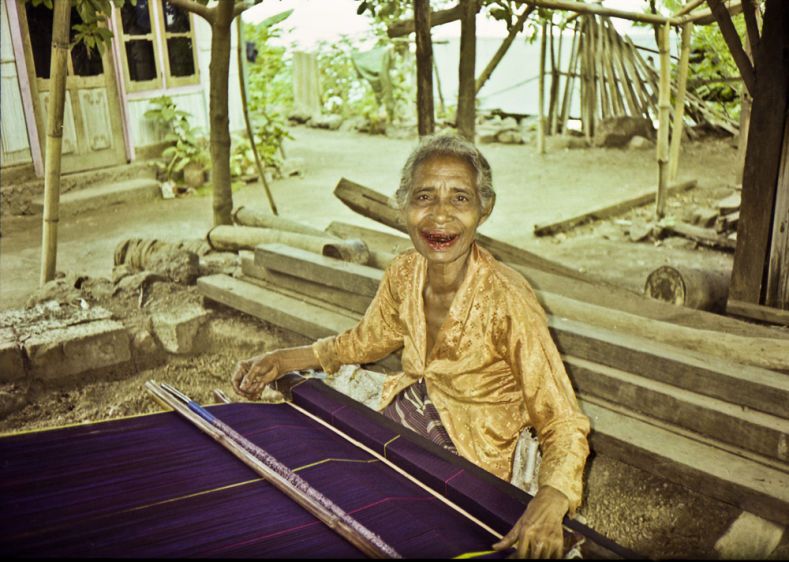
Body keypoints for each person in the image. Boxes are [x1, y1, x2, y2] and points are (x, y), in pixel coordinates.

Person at [232, 134, 590, 559]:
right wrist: (283, 359)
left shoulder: (506, 300)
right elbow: (365, 341)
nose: (440, 216)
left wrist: (551, 499)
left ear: (484, 209)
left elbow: (563, 419)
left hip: (473, 456)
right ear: (403, 206)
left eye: (460, 198)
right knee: (311, 479)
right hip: (411, 412)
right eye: (425, 196)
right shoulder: (404, 272)